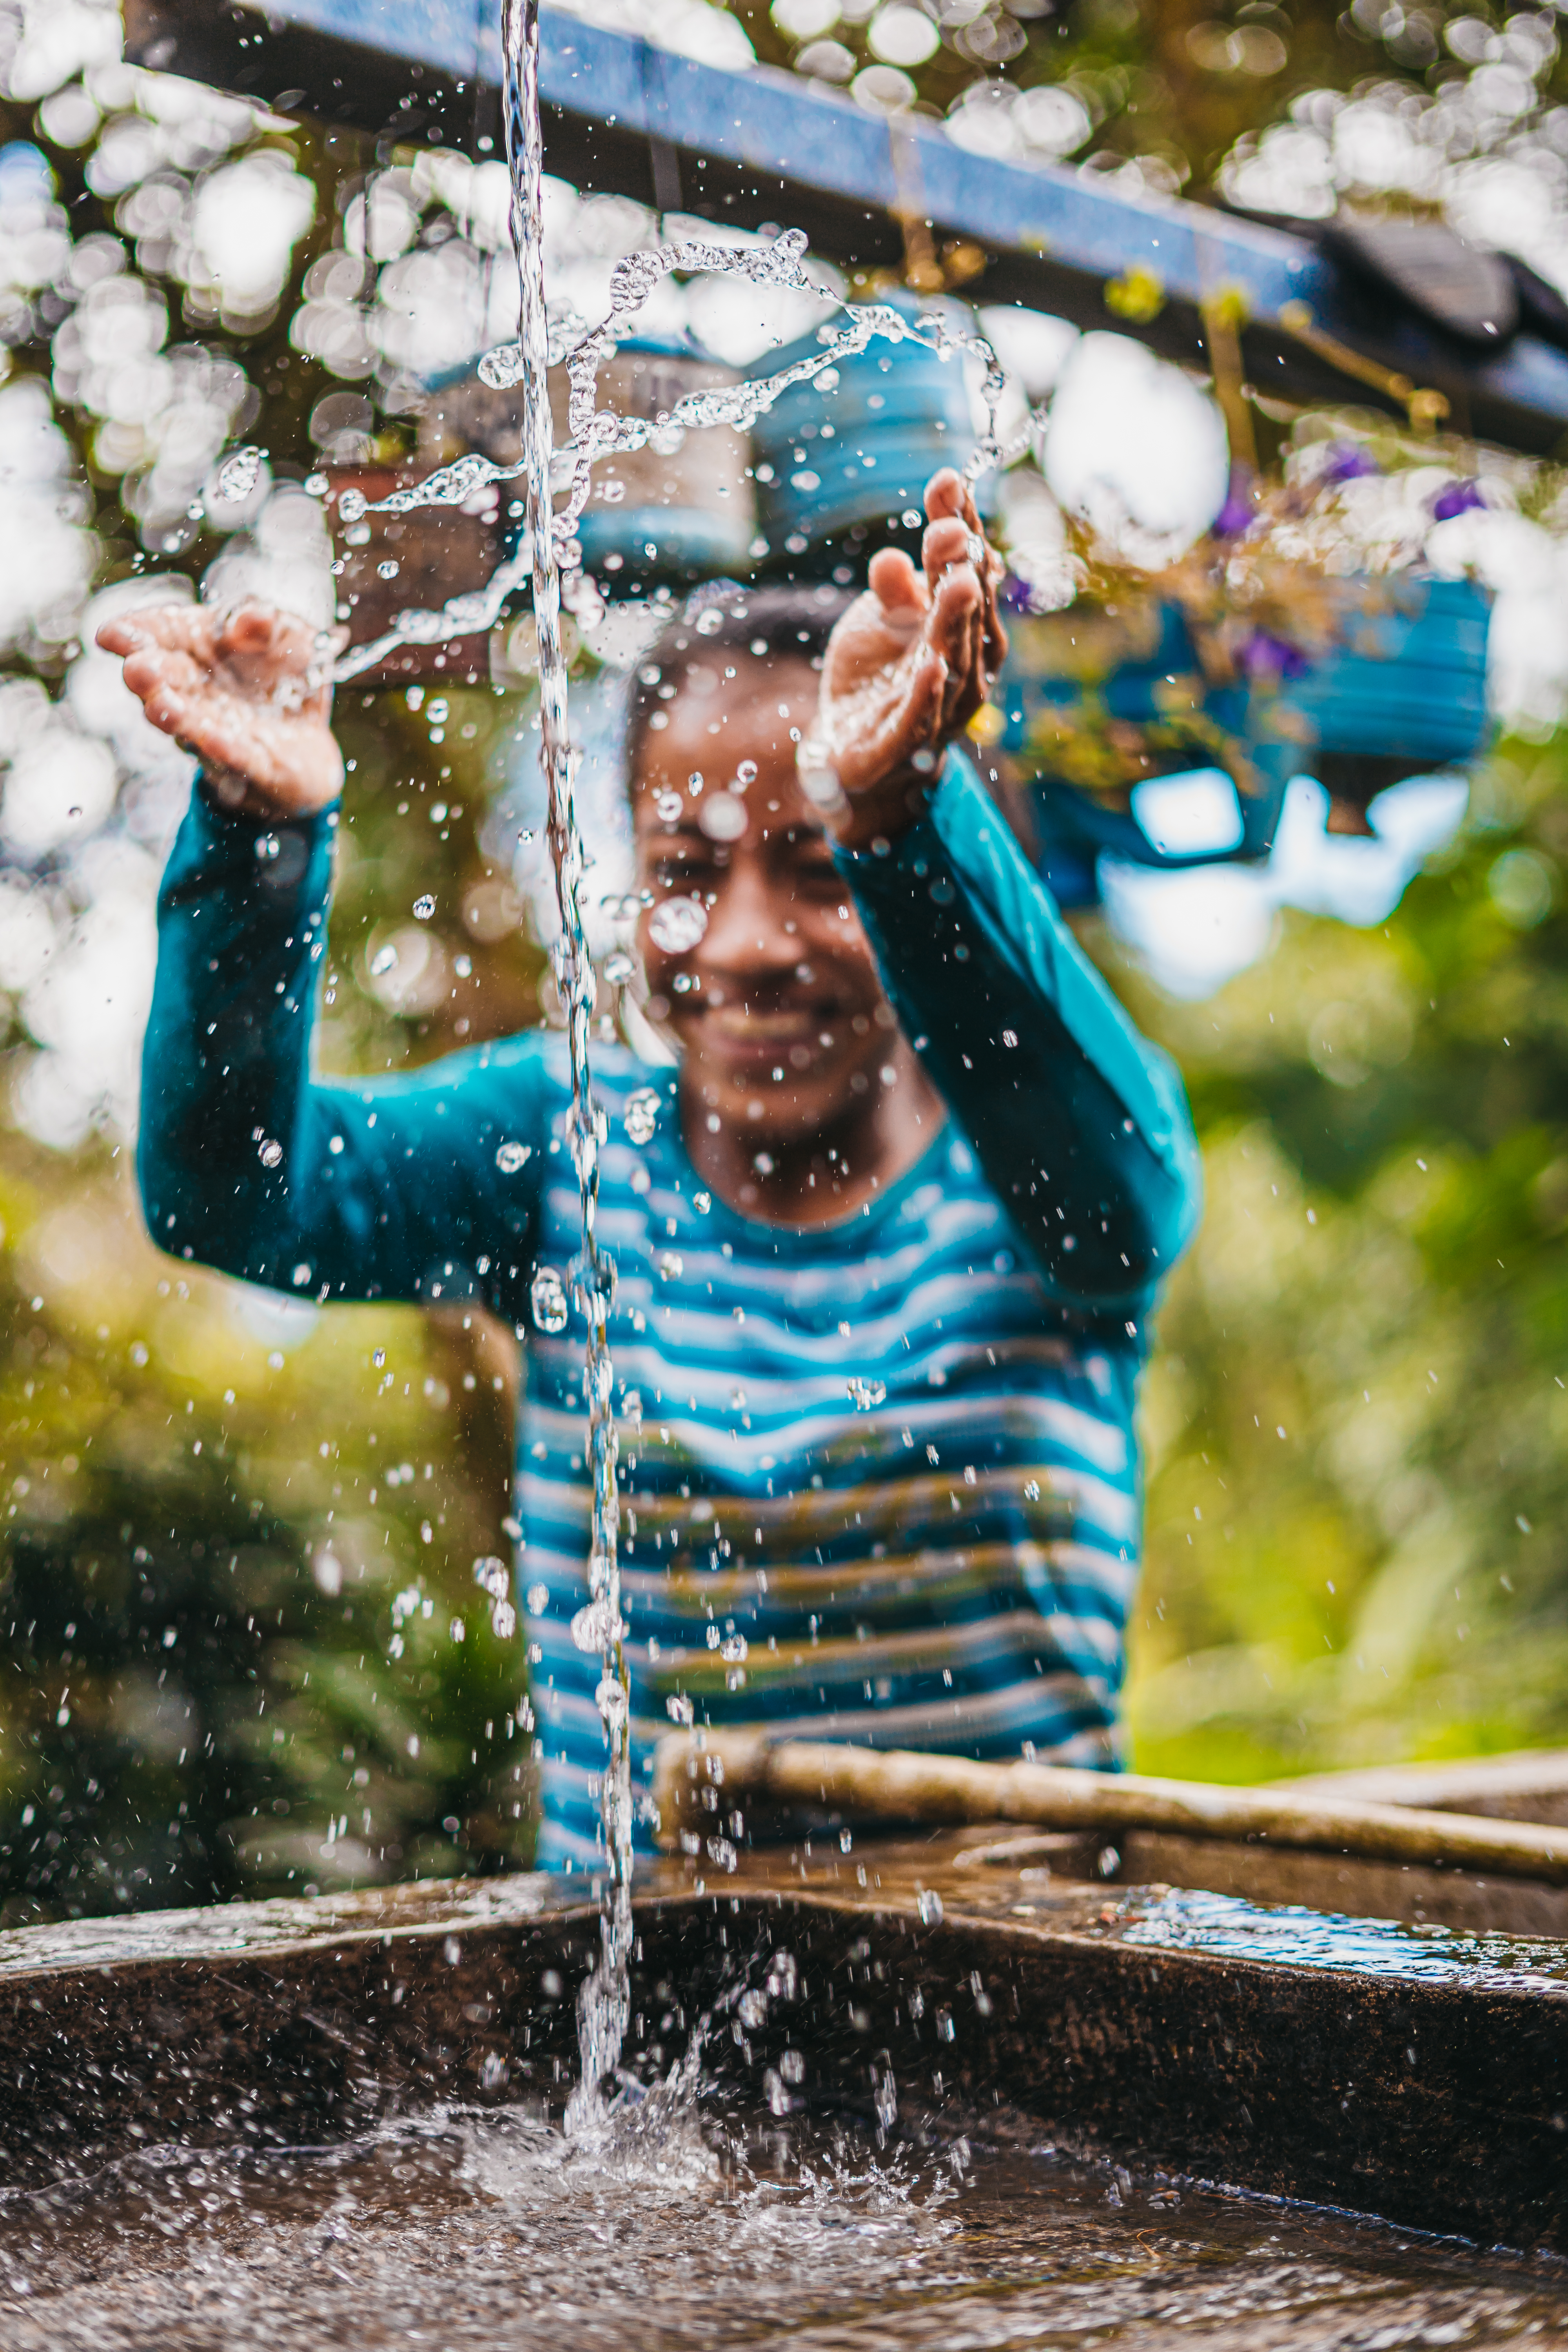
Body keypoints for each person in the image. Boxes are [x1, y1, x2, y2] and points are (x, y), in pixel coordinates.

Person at [100, 470, 1201, 1873]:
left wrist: (899, 833)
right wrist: (260, 848)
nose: (741, 941)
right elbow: (233, 1196)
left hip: (1034, 2013)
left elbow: (1132, 1187)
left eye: (817, 866)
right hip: (635, 2059)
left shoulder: (1039, 1164)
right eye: (687, 867)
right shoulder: (561, 1149)